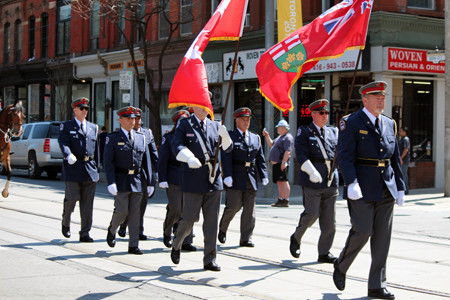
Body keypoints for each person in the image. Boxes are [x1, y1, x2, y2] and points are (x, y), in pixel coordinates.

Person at [333, 81, 405, 300]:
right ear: (365, 100)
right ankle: (341, 265)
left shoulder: (389, 123)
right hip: (361, 187)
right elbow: (345, 156)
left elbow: (394, 159)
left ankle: (377, 285)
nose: (381, 100)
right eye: (376, 97)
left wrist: (400, 187)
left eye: (383, 97)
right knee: (363, 231)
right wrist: (350, 182)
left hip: (386, 186)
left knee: (382, 238)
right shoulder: (352, 123)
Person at [170, 105, 232, 271]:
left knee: (211, 222)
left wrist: (225, 137)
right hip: (192, 178)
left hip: (213, 178)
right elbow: (175, 145)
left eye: (207, 104)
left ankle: (209, 259)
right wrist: (188, 157)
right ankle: (177, 243)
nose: (205, 107)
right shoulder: (185, 124)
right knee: (190, 217)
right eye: (201, 104)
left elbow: (227, 149)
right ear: (193, 106)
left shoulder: (215, 125)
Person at [290, 99, 339, 263]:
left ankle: (324, 252)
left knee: (329, 221)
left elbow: (341, 154)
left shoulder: (334, 132)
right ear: (313, 114)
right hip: (312, 181)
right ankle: (296, 237)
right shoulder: (304, 131)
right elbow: (301, 154)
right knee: (312, 214)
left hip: (331, 181)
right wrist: (311, 171)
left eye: (326, 113)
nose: (325, 116)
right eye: (321, 113)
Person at [104, 106, 153, 255]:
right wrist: (111, 181)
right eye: (128, 118)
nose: (132, 121)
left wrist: (150, 181)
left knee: (135, 214)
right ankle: (112, 229)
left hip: (137, 180)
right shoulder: (112, 138)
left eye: (133, 118)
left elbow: (146, 161)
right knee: (122, 210)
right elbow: (108, 162)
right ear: (120, 120)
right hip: (121, 179)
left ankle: (133, 245)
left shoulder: (141, 137)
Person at [218, 107, 268, 247]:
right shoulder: (230, 136)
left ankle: (246, 238)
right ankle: (222, 228)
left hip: (251, 177)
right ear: (237, 121)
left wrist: (263, 174)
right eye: (244, 120)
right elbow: (226, 157)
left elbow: (260, 158)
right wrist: (227, 175)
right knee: (233, 206)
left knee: (249, 210)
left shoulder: (255, 137)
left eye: (248, 120)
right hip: (235, 176)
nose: (246, 122)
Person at [58, 97, 99, 242]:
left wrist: (97, 168)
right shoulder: (67, 127)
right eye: (81, 108)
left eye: (86, 108)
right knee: (72, 198)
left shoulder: (93, 127)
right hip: (73, 168)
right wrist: (68, 154)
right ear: (74, 110)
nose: (85, 111)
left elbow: (96, 150)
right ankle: (66, 221)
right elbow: (63, 142)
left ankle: (85, 232)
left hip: (89, 168)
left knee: (87, 204)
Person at [158, 109, 196, 251]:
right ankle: (167, 232)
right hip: (174, 177)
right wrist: (162, 178)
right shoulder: (169, 138)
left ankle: (187, 240)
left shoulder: (192, 137)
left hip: (190, 176)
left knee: (189, 210)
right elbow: (162, 159)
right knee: (175, 208)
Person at [118, 107, 158, 240]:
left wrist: (157, 175)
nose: (137, 121)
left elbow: (154, 156)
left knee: (141, 204)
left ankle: (139, 230)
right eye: (135, 118)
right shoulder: (123, 134)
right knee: (128, 205)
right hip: (127, 175)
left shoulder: (147, 133)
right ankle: (123, 225)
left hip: (143, 175)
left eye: (139, 118)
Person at [262, 120, 294, 207]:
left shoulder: (288, 137)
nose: (277, 129)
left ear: (282, 128)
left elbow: (288, 151)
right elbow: (271, 144)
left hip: (281, 163)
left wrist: (283, 162)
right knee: (279, 182)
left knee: (284, 181)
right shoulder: (280, 137)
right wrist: (267, 136)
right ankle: (281, 199)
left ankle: (286, 200)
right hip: (277, 164)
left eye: (278, 127)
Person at [399, 126, 410, 194]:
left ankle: (405, 190)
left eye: (400, 131)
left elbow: (405, 150)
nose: (399, 132)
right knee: (404, 174)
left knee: (403, 175)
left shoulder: (405, 139)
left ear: (404, 132)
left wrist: (401, 158)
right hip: (403, 160)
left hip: (404, 160)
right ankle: (405, 189)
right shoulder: (402, 139)